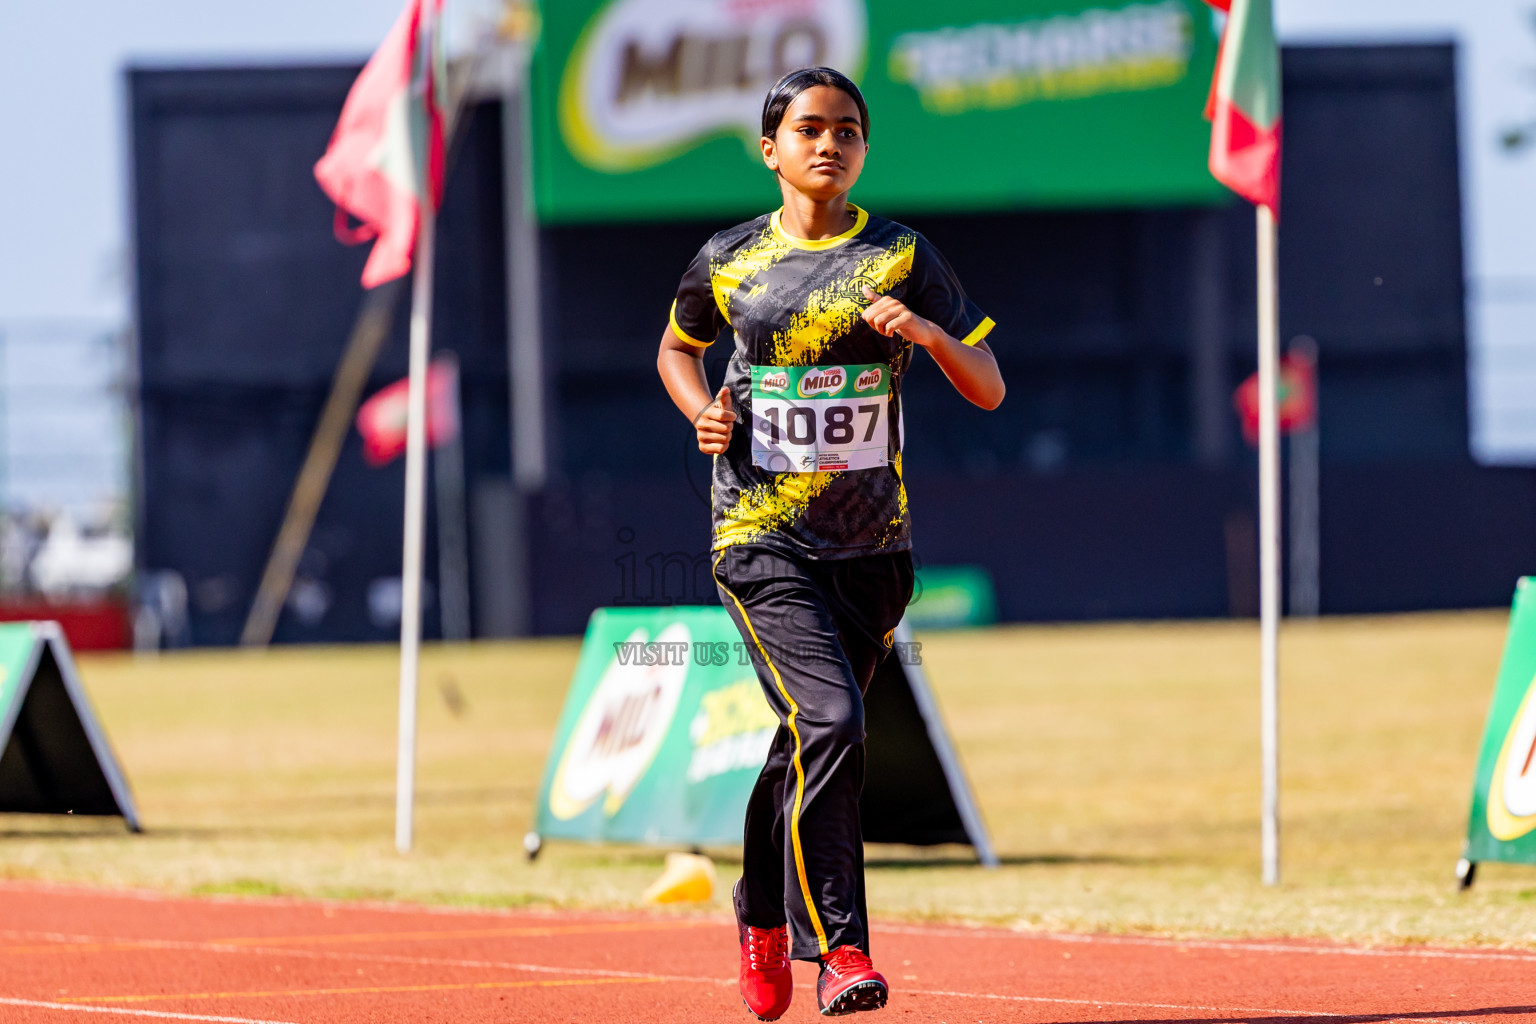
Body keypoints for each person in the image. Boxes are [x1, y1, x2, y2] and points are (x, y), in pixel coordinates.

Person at [656, 66, 1004, 1019]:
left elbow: (988, 384)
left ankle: (758, 915)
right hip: (761, 536)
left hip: (873, 553)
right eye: (808, 128)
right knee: (836, 724)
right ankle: (840, 948)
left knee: (804, 741)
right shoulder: (728, 259)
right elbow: (677, 348)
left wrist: (930, 336)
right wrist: (703, 413)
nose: (829, 144)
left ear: (862, 149)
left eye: (847, 130)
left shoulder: (900, 255)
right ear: (770, 149)